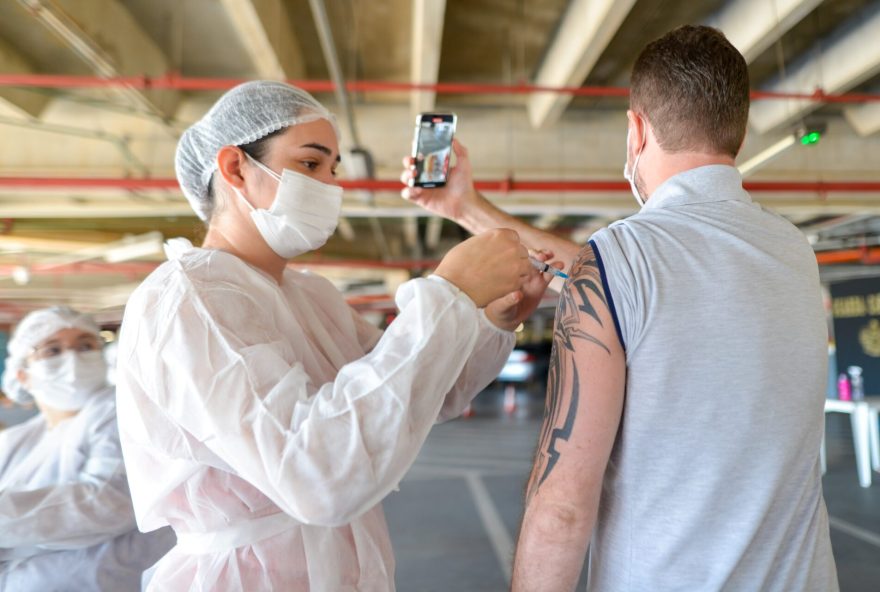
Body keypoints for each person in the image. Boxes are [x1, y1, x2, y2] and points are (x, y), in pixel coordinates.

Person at [403, 25, 838, 592]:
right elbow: (624, 280)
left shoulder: (619, 261)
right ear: (740, 130)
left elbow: (562, 507)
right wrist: (465, 206)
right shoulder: (794, 252)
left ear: (636, 130)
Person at [115, 80, 554, 591]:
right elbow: (315, 475)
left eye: (333, 169)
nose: (329, 185)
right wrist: (447, 295)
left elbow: (425, 392)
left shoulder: (308, 296)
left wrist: (490, 321)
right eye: (310, 164)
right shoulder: (191, 299)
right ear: (235, 168)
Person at [0, 306, 174, 591]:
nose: (73, 359)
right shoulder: (18, 440)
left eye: (85, 345)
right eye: (52, 350)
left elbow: (108, 503)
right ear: (22, 375)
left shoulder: (118, 411)